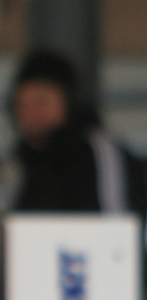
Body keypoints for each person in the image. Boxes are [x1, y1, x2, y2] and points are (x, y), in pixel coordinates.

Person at [12, 51, 146, 217]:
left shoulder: (101, 153)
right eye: (23, 104)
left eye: (42, 101)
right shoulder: (29, 167)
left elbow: (120, 228)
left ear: (68, 101)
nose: (32, 113)